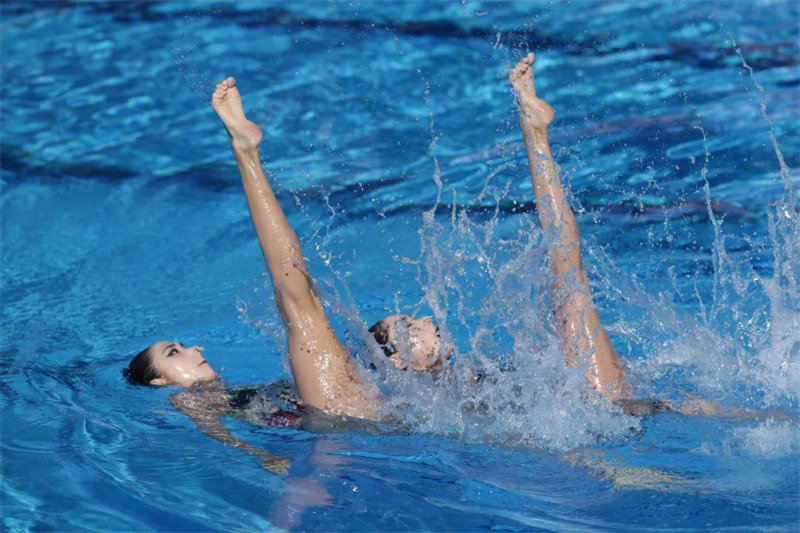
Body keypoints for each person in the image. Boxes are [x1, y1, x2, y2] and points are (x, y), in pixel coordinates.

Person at [124, 55, 778, 469]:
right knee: (300, 303)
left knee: (570, 286)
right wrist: (260, 460)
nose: (427, 318)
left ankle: (535, 132)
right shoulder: (225, 396)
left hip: (524, 413)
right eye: (408, 323)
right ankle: (247, 152)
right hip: (379, 420)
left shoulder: (475, 380)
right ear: (396, 359)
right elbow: (238, 395)